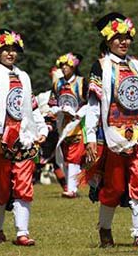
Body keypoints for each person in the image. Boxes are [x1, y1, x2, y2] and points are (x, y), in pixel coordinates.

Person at [0, 29, 48, 246]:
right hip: (0, 139)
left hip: (23, 137)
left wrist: (41, 129)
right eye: (6, 49)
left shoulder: (23, 76)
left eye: (14, 49)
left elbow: (31, 107)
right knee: (2, 187)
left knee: (24, 185)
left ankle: (22, 233)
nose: (10, 53)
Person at [83, 12, 138, 249]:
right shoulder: (100, 66)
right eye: (117, 37)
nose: (123, 42)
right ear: (107, 40)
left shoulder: (136, 65)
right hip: (112, 133)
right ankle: (105, 229)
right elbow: (93, 105)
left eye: (126, 37)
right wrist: (90, 136)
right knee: (113, 185)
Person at [49, 52, 86, 198]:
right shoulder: (58, 83)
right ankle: (71, 186)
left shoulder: (82, 82)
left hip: (78, 124)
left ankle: (72, 189)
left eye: (67, 65)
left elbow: (90, 103)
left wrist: (77, 114)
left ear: (74, 66)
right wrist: (56, 110)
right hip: (62, 125)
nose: (64, 68)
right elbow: (52, 103)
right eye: (62, 65)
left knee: (74, 157)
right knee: (65, 156)